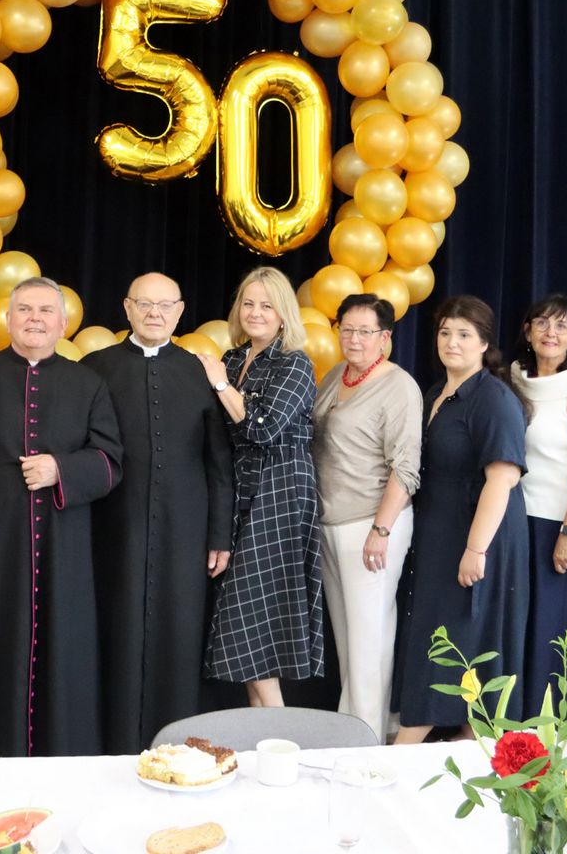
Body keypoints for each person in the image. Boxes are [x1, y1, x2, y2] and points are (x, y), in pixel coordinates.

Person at [0, 276, 122, 756]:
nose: (35, 319)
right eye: (25, 310)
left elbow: (110, 461)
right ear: (9, 318)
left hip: (63, 545)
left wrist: (61, 469)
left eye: (45, 311)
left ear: (63, 323)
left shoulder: (88, 383)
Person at [82, 272, 234, 753]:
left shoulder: (199, 371)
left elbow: (219, 461)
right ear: (126, 308)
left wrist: (220, 534)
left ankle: (177, 743)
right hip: (113, 525)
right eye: (144, 304)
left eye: (165, 305)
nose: (154, 313)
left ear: (180, 311)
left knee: (179, 630)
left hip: (185, 527)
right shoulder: (95, 368)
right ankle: (113, 741)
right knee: (116, 627)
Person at [395, 295, 527, 744]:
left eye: (464, 334)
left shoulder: (493, 399)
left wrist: (476, 549)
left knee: (462, 635)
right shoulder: (436, 392)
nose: (452, 342)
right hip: (440, 533)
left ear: (484, 343)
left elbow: (502, 479)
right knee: (447, 636)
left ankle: (408, 745)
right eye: (445, 332)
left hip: (480, 535)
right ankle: (466, 744)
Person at [198, 267, 324, 708]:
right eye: (248, 304)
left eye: (266, 305)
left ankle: (279, 732)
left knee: (252, 619)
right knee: (251, 629)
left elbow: (263, 429)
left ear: (284, 313)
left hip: (281, 492)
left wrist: (219, 384)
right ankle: (265, 737)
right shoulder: (233, 359)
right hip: (238, 491)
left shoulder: (295, 363)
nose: (255, 313)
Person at [310, 294, 421, 741]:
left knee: (369, 642)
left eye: (365, 331)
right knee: (349, 642)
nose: (353, 339)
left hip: (371, 525)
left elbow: (406, 467)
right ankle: (350, 736)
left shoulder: (398, 386)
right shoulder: (335, 375)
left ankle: (368, 746)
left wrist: (381, 528)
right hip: (330, 524)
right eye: (347, 329)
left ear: (385, 337)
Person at [508, 294, 567, 716]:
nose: (551, 332)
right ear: (528, 332)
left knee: (552, 629)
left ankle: (552, 728)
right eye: (542, 323)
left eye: (562, 325)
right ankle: (510, 725)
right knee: (519, 625)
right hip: (516, 520)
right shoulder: (513, 378)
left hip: (560, 524)